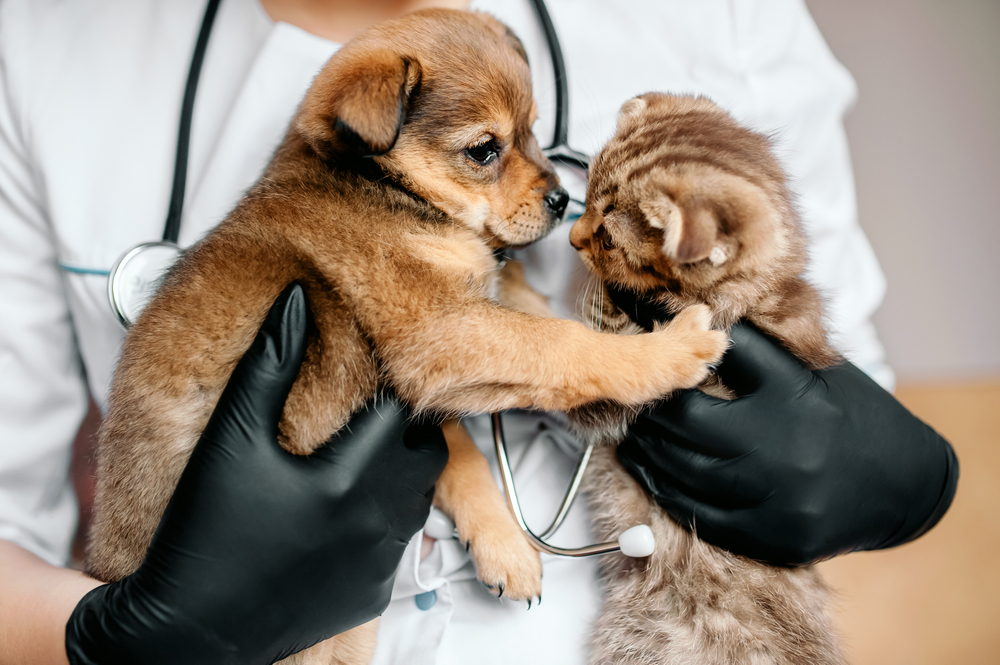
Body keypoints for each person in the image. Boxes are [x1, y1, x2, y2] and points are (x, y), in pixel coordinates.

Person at [0, 0, 958, 663]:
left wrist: (878, 469)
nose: (542, 187)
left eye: (529, 140)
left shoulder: (722, 15)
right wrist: (111, 639)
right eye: (486, 152)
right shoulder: (46, 46)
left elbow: (840, 361)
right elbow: (436, 355)